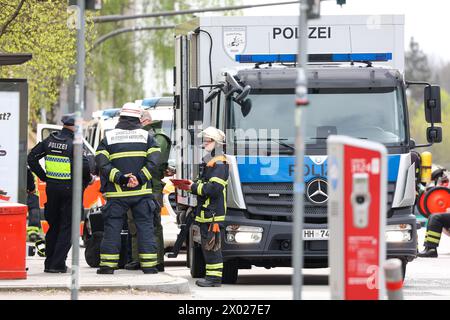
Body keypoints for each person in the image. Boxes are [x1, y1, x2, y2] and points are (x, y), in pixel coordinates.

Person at [95, 102, 161, 274]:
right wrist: (138, 178)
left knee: (112, 229)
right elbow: (154, 162)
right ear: (138, 118)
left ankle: (108, 267)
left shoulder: (108, 137)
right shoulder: (147, 137)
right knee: (145, 228)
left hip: (117, 193)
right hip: (142, 193)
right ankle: (149, 267)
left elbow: (102, 163)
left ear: (121, 117)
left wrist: (121, 179)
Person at [27, 113, 91, 273]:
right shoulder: (74, 143)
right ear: (74, 126)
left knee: (54, 226)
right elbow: (84, 167)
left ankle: (49, 264)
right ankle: (58, 264)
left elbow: (32, 158)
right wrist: (89, 179)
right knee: (68, 227)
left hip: (52, 189)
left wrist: (44, 177)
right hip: (70, 190)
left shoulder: (50, 140)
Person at [125, 110, 172, 272]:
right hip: (136, 185)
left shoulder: (158, 137)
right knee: (133, 222)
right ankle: (137, 258)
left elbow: (156, 163)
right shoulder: (138, 136)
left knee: (152, 223)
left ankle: (157, 260)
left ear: (143, 121)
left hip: (152, 186)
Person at [186, 126, 229, 287]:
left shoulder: (219, 162)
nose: (204, 144)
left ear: (216, 142)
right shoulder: (211, 161)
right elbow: (206, 184)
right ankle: (212, 277)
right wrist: (193, 185)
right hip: (208, 212)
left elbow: (214, 189)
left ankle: (214, 279)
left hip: (213, 214)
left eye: (207, 141)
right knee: (208, 246)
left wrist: (193, 187)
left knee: (212, 247)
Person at [26, 167, 42, 242]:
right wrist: (32, 188)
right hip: (31, 192)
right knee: (34, 210)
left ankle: (33, 233)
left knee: (34, 211)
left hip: (29, 191)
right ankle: (33, 233)